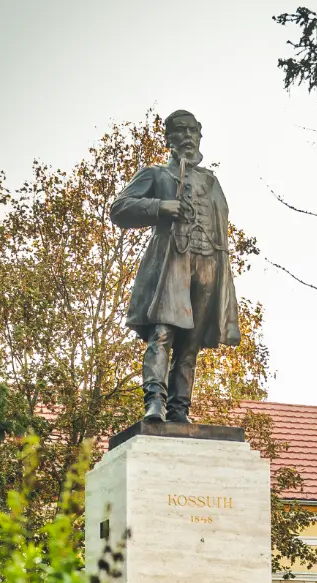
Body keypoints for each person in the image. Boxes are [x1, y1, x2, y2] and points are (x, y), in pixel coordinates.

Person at [110, 110, 240, 422]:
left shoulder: (211, 182)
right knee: (163, 333)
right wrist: (161, 207)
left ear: (199, 135)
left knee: (191, 343)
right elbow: (120, 209)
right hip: (173, 262)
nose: (187, 137)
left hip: (207, 263)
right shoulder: (156, 175)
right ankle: (155, 401)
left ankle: (179, 410)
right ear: (168, 138)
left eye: (192, 131)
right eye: (179, 131)